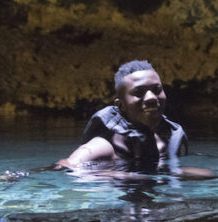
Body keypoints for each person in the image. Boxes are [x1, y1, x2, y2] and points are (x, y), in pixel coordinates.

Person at [59, 60, 188, 174]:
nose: (152, 98)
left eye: (157, 89)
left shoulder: (169, 139)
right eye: (138, 92)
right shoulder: (103, 146)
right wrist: (114, 176)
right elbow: (66, 167)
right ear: (121, 106)